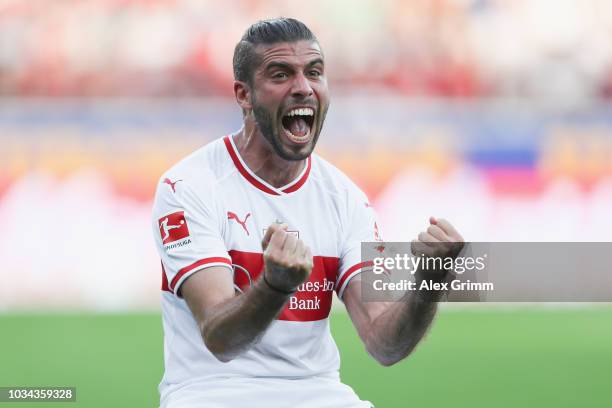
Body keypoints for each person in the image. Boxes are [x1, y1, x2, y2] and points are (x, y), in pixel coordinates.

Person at [152, 18, 463, 408]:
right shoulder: (188, 187)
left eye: (314, 72)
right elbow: (219, 338)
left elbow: (385, 344)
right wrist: (274, 286)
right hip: (214, 393)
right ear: (243, 94)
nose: (303, 87)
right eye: (281, 74)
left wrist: (427, 282)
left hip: (318, 394)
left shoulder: (345, 198)